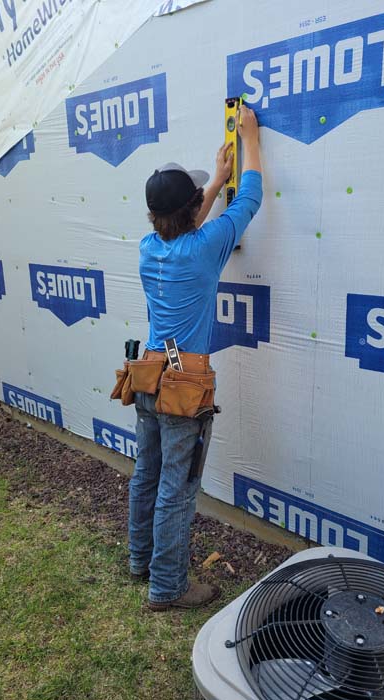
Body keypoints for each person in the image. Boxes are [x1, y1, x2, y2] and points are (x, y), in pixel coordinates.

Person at [128, 105, 262, 611]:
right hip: (185, 387)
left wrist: (217, 178)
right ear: (190, 212)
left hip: (148, 376)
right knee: (176, 489)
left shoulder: (149, 247)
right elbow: (251, 199)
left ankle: (140, 561)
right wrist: (251, 143)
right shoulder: (205, 247)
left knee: (146, 474)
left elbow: (185, 225)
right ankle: (167, 587)